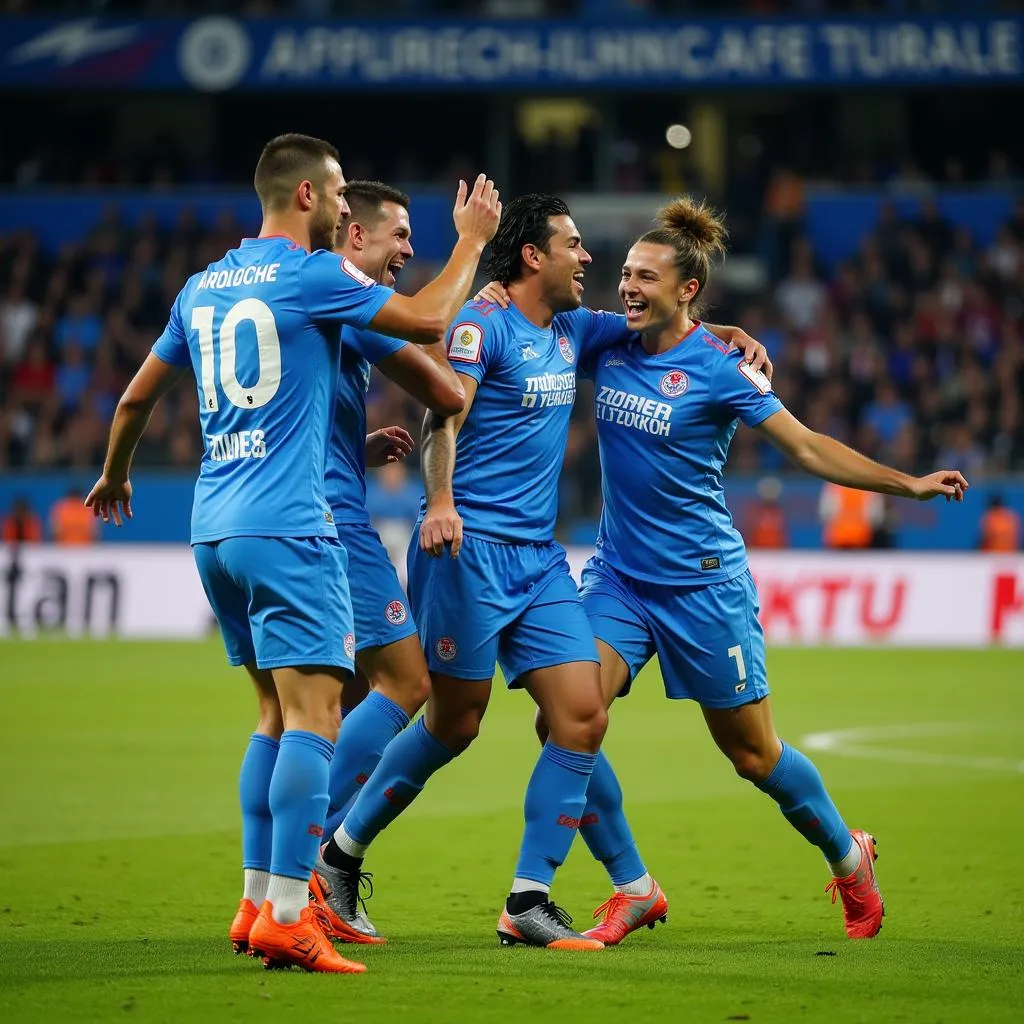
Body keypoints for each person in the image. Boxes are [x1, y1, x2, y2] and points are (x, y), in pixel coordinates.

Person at [85, 133, 501, 973]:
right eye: (340, 191)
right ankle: (287, 908)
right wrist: (472, 241)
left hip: (213, 530)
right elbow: (427, 321)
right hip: (292, 525)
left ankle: (251, 904)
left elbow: (133, 399)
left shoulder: (201, 287)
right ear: (307, 196)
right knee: (319, 716)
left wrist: (113, 477)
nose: (347, 206)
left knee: (273, 717)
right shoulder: (315, 276)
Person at [314, 194, 770, 950]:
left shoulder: (573, 331)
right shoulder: (479, 325)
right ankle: (337, 854)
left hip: (541, 560)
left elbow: (657, 327)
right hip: (467, 552)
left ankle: (528, 897)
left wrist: (723, 331)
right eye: (575, 245)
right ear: (534, 255)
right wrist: (439, 501)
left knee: (582, 713)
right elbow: (443, 419)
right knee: (453, 725)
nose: (589, 259)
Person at [567, 197, 967, 943]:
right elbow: (541, 325)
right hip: (619, 578)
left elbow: (809, 447)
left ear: (685, 288)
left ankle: (850, 856)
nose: (626, 287)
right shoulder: (607, 345)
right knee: (567, 719)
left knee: (753, 755)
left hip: (704, 586)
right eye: (624, 273)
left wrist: (906, 483)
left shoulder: (722, 371)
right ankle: (633, 885)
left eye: (644, 277)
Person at [307, 181, 467, 942]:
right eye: (399, 235)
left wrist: (353, 449)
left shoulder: (290, 295)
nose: (408, 249)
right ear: (353, 235)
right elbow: (442, 379)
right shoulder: (347, 293)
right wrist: (470, 242)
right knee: (406, 681)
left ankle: (270, 886)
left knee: (310, 709)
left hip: (285, 517)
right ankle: (321, 861)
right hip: (336, 527)